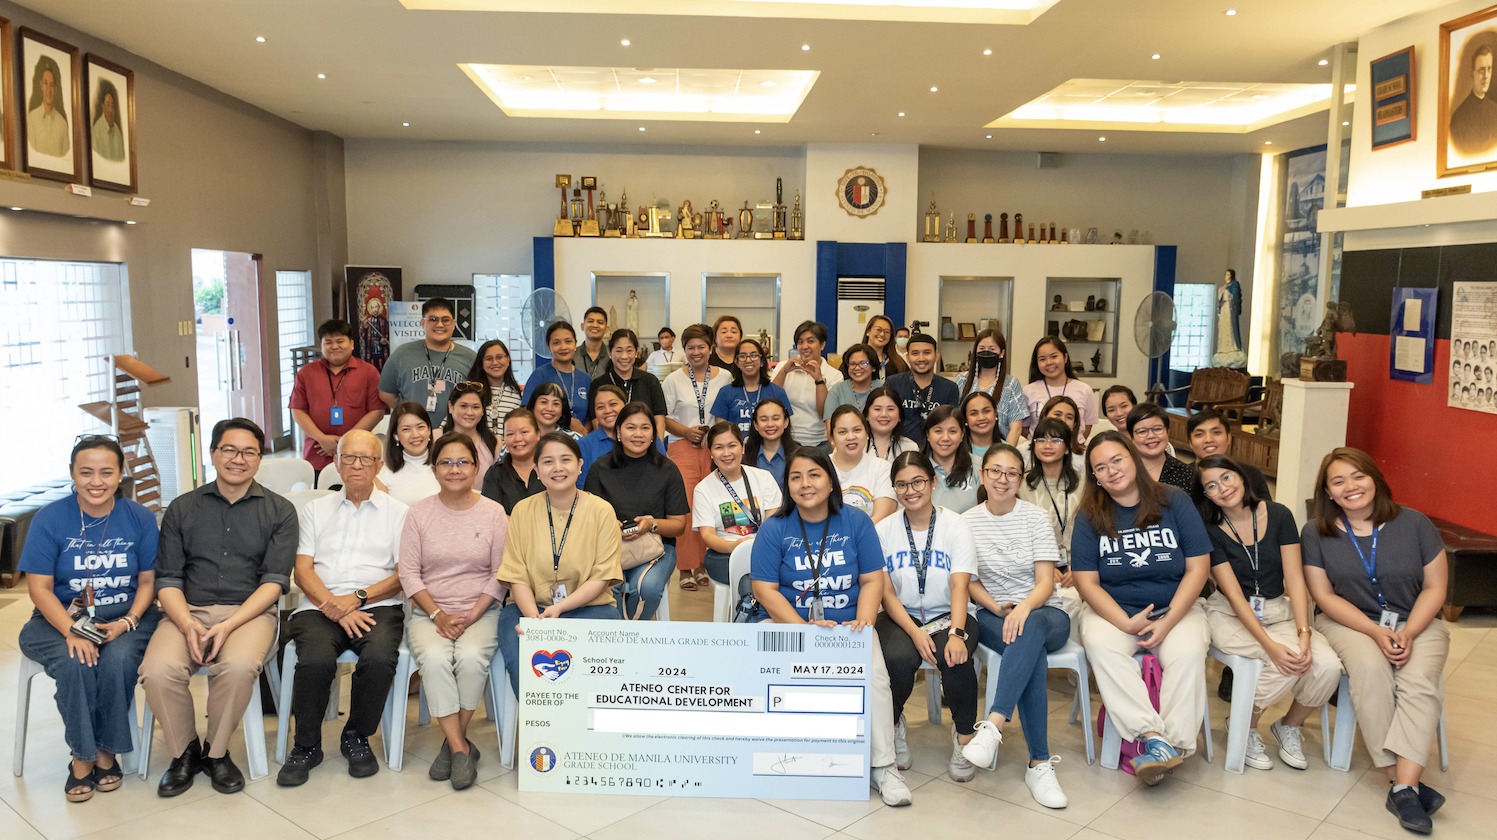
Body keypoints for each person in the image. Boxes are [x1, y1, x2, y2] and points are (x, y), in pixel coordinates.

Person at [140, 418, 296, 797]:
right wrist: (187, 623)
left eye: (249, 452)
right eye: (229, 449)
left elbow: (274, 582)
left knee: (239, 666)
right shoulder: (182, 508)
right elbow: (168, 579)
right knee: (157, 671)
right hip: (186, 609)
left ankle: (216, 752)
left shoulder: (280, 511)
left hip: (249, 613)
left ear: (259, 459)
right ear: (212, 454)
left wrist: (228, 625)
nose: (238, 459)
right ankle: (185, 752)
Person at [749, 448, 912, 807]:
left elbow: (872, 580)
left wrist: (864, 621)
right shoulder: (774, 528)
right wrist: (802, 629)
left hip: (848, 627)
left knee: (876, 678)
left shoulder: (856, 522)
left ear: (830, 481)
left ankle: (884, 766)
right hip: (790, 625)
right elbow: (764, 590)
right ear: (787, 485)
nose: (805, 484)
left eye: (814, 475)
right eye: (796, 477)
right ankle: (778, 758)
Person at [1300, 448, 1450, 835]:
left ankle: (1402, 787)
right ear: (1328, 492)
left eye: (1358, 476)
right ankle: (1404, 783)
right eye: (1338, 481)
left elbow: (1435, 587)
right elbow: (1324, 596)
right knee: (1369, 669)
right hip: (1349, 622)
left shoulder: (1414, 523)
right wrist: (1376, 631)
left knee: (1419, 681)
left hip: (1417, 621)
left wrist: (1409, 632)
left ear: (1375, 479)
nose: (1350, 487)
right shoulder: (1316, 531)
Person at [18, 435, 161, 803]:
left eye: (106, 472)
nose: (96, 482)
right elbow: (39, 588)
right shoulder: (49, 519)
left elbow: (148, 582)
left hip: (129, 617)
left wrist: (127, 622)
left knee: (117, 660)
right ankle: (84, 755)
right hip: (58, 618)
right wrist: (72, 631)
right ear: (72, 474)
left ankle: (107, 750)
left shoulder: (140, 518)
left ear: (120, 475)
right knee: (76, 661)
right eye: (86, 472)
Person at [1070, 431, 1212, 785]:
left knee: (1188, 654)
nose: (1112, 470)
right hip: (1115, 612)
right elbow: (1086, 582)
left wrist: (1169, 621)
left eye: (1117, 460)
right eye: (1101, 467)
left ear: (1132, 458)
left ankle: (1172, 745)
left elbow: (1198, 568)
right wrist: (1125, 623)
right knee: (1101, 646)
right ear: (1095, 477)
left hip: (1175, 609)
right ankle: (1152, 737)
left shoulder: (1174, 501)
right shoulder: (1089, 515)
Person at [1191, 454, 1340, 772]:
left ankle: (1289, 725)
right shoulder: (1210, 529)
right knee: (1284, 661)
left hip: (1277, 609)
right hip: (1229, 614)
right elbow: (1233, 594)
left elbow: (1295, 579)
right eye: (1212, 486)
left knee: (1328, 665)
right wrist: (1270, 646)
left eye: (1226, 477)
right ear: (1206, 495)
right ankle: (1244, 726)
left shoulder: (1279, 514)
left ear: (1241, 475)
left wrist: (1304, 633)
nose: (1223, 488)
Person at [278, 431, 408, 787]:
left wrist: (358, 598)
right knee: (315, 659)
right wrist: (333, 605)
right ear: (337, 463)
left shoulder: (399, 513)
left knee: (379, 658)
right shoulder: (314, 509)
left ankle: (356, 736)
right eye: (349, 457)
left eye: (366, 459)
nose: (356, 465)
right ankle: (306, 746)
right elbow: (302, 570)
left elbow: (403, 575)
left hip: (377, 604)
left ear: (378, 465)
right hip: (320, 604)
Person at [960, 445, 1071, 809]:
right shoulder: (967, 521)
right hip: (994, 613)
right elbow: (969, 580)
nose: (1002, 479)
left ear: (1021, 479)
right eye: (995, 471)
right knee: (1029, 653)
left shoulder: (1036, 517)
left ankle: (993, 724)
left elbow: (1045, 583)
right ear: (983, 475)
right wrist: (995, 606)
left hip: (1045, 614)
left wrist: (1023, 608)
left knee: (1029, 628)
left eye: (1011, 473)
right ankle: (1039, 764)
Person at [398, 433, 508, 791]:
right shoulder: (419, 513)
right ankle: (461, 748)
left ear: (476, 468)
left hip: (482, 612)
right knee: (433, 659)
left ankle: (451, 744)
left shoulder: (493, 513)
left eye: (463, 462)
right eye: (446, 462)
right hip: (429, 614)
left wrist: (472, 615)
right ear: (434, 468)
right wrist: (437, 615)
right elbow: (408, 574)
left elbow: (500, 573)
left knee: (473, 657)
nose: (455, 469)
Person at [874, 452, 980, 782]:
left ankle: (964, 737)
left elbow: (960, 585)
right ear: (894, 489)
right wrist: (915, 632)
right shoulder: (884, 529)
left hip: (950, 614)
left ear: (933, 482)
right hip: (900, 616)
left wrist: (957, 633)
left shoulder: (956, 525)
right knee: (897, 658)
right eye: (902, 484)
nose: (910, 491)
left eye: (918, 481)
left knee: (955, 657)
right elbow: (886, 593)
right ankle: (893, 728)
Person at [498, 433, 623, 694]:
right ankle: (541, 721)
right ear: (536, 469)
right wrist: (534, 621)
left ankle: (582, 721)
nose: (557, 468)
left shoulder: (602, 511)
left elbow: (602, 576)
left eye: (565, 460)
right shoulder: (522, 510)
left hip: (590, 609)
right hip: (529, 608)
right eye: (547, 462)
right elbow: (516, 574)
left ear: (579, 465)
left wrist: (560, 608)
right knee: (526, 665)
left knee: (591, 675)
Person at [585, 402, 690, 616]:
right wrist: (611, 526)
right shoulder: (600, 468)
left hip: (657, 548)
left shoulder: (668, 470)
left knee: (647, 588)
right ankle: (618, 632)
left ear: (653, 434)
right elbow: (589, 518)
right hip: (610, 547)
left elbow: (679, 526)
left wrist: (651, 524)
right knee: (606, 588)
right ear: (618, 432)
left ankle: (630, 632)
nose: (638, 434)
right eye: (631, 427)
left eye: (645, 428)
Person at [662, 324, 733, 589]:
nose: (696, 352)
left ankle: (704, 564)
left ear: (711, 348)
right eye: (690, 347)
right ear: (684, 350)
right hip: (682, 446)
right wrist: (686, 431)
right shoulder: (673, 380)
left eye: (701, 346)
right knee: (686, 506)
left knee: (715, 504)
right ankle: (685, 567)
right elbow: (664, 418)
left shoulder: (725, 377)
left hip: (716, 449)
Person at [290, 318, 386, 471]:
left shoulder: (368, 372)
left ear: (352, 344)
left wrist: (347, 440)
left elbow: (377, 411)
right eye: (328, 342)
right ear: (321, 346)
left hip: (357, 452)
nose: (334, 346)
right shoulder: (306, 373)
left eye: (340, 341)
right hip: (317, 452)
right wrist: (322, 439)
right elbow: (298, 410)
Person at [694, 421, 782, 585]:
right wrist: (735, 546)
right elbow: (707, 535)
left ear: (742, 447)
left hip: (764, 548)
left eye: (732, 445)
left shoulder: (763, 478)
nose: (726, 453)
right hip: (723, 554)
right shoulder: (703, 489)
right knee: (748, 577)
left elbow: (774, 523)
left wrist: (758, 548)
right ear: (710, 452)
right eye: (719, 447)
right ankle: (750, 602)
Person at [378, 298, 476, 431]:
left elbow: (478, 397)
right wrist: (407, 411)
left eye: (445, 320)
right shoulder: (402, 354)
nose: (440, 325)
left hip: (456, 434)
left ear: (453, 324)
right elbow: (386, 393)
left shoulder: (470, 357)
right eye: (433, 319)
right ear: (423, 323)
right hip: (414, 435)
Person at [1019, 417, 1084, 593]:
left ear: (1067, 448)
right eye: (1041, 440)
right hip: (1036, 569)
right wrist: (1044, 567)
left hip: (1079, 568)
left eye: (1056, 440)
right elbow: (1019, 535)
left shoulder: (1084, 483)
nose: (1047, 445)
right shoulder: (1020, 484)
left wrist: (1081, 568)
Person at [586, 328, 668, 437]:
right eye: (619, 351)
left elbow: (659, 421)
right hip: (609, 445)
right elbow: (597, 423)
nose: (624, 356)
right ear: (609, 353)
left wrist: (657, 446)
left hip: (645, 444)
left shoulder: (650, 381)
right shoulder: (598, 384)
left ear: (636, 353)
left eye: (629, 350)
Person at [773, 320, 843, 447]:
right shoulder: (783, 367)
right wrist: (784, 372)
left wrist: (819, 379)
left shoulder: (835, 375)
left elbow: (825, 414)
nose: (805, 346)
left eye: (810, 341)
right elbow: (770, 401)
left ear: (822, 345)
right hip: (786, 439)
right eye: (800, 342)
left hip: (820, 442)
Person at [885, 333, 959, 448]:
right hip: (899, 449)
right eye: (915, 353)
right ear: (907, 357)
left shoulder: (950, 388)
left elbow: (952, 425)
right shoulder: (893, 383)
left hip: (937, 450)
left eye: (927, 353)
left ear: (936, 355)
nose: (921, 358)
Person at [954, 328, 1027, 445]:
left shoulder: (1011, 384)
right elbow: (953, 418)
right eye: (982, 348)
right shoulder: (962, 380)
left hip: (1000, 447)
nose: (986, 352)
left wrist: (1005, 453)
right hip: (964, 447)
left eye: (992, 349)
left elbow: (1016, 428)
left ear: (1002, 353)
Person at [826, 404, 897, 522]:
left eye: (857, 430)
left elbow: (882, 517)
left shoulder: (882, 468)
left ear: (867, 433)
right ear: (832, 438)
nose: (851, 437)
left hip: (869, 532)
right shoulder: (821, 467)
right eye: (842, 432)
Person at [1186, 409, 1272, 499]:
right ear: (1190, 442)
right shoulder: (1183, 476)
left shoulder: (1251, 473)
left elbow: (1266, 507)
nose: (1208, 440)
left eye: (1216, 432)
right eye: (1199, 435)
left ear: (1229, 438)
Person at [712, 337, 791, 434]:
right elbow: (720, 432)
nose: (748, 360)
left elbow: (786, 427)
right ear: (736, 362)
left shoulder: (777, 392)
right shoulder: (725, 393)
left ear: (762, 361)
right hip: (735, 444)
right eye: (742, 356)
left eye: (754, 355)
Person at [1023, 337, 1096, 440]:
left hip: (1074, 448)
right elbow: (1024, 427)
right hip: (1039, 448)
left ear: (1065, 357)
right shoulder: (1028, 391)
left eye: (1054, 356)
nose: (1049, 362)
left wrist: (1073, 445)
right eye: (1042, 359)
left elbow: (1087, 426)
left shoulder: (1085, 389)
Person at [523, 322, 589, 431]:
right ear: (549, 347)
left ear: (575, 345)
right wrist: (568, 422)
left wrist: (582, 434)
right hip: (547, 436)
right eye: (556, 343)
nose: (563, 347)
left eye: (568, 341)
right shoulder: (539, 375)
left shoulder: (585, 379)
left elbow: (590, 416)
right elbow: (526, 412)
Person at [437, 381, 499, 491]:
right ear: (451, 407)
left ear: (483, 410)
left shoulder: (495, 443)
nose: (469, 412)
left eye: (475, 407)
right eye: (463, 406)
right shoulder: (435, 438)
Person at [482, 408, 545, 514]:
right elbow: (492, 515)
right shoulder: (495, 473)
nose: (517, 439)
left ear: (538, 434)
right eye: (510, 434)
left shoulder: (550, 469)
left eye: (524, 432)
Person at [376, 402, 440, 505]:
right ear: (396, 435)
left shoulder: (445, 465)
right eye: (406, 429)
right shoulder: (383, 471)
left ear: (429, 430)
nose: (415, 435)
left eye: (420, 427)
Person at [923, 405, 979, 513]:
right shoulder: (915, 468)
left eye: (952, 431)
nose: (945, 438)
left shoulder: (979, 467)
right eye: (938, 431)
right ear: (927, 434)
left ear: (962, 434)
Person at [1127, 403, 1194, 491]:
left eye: (1157, 429)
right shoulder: (1123, 470)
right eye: (1142, 431)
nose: (1151, 436)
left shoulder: (1187, 474)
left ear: (1167, 431)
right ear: (1132, 438)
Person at [465, 339, 523, 440]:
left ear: (508, 360)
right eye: (489, 359)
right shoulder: (470, 391)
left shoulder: (517, 394)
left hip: (508, 448)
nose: (495, 362)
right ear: (481, 363)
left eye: (499, 357)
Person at [1450, 43, 1497, 155]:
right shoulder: (1459, 118)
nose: (1486, 76)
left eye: (1489, 69)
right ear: (1472, 74)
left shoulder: (1495, 110)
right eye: (1481, 70)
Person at [577, 384, 628, 487]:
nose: (607, 411)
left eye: (613, 404)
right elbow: (581, 486)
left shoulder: (644, 438)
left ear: (626, 406)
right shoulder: (584, 445)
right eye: (600, 407)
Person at [743, 397, 798, 485]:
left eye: (775, 418)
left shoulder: (798, 454)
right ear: (756, 425)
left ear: (786, 422)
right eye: (764, 420)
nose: (770, 424)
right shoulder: (744, 455)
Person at [824, 342, 883, 417]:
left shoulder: (883, 387)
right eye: (852, 364)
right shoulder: (837, 390)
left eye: (863, 363)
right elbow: (830, 422)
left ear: (873, 367)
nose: (857, 368)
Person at [27, 55, 70, 157]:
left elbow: (66, 159)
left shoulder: (63, 124)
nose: (48, 90)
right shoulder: (31, 119)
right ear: (41, 85)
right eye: (45, 83)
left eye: (52, 85)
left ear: (56, 89)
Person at [865, 386, 918, 463]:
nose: (884, 414)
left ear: (899, 415)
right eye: (877, 409)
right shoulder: (856, 445)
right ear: (867, 414)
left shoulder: (909, 447)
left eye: (890, 409)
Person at [1213, 269, 1245, 365]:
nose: (1226, 276)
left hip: (1229, 308)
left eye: (1228, 274)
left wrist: (1227, 293)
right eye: (1225, 274)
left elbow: (1235, 297)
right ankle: (1224, 348)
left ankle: (1232, 347)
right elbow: (1220, 298)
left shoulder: (1234, 285)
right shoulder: (1224, 287)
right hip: (1224, 309)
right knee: (1223, 327)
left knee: (1230, 327)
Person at [90, 80, 125, 162]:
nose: (110, 110)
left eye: (112, 106)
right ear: (103, 107)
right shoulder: (96, 132)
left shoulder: (117, 132)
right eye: (108, 105)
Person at [961, 391, 1000, 461]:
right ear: (965, 419)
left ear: (995, 414)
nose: (981, 418)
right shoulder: (955, 450)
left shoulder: (1008, 451)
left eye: (986, 411)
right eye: (973, 414)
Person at [577, 306, 611, 379]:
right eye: (590, 321)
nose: (595, 325)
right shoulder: (572, 355)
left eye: (600, 322)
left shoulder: (612, 356)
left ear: (606, 329)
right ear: (582, 326)